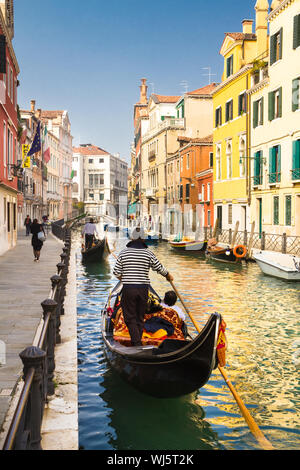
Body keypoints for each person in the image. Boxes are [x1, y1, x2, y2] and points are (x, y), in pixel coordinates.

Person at [113, 227, 174, 346]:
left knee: (130, 318)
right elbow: (159, 268)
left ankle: (137, 343)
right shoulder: (148, 253)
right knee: (140, 316)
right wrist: (168, 275)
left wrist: (125, 279)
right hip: (143, 289)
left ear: (132, 238)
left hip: (129, 289)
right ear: (143, 238)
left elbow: (116, 272)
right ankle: (138, 341)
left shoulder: (124, 253)